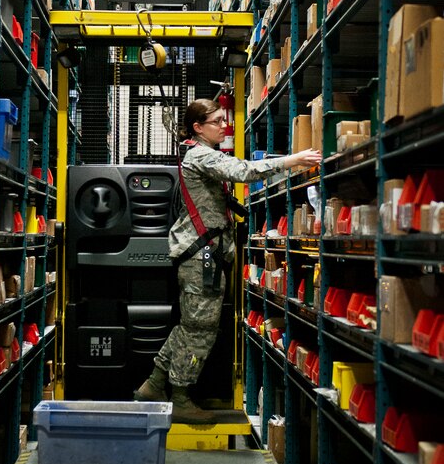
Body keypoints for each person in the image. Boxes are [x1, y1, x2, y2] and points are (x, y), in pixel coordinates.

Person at [134, 98, 323, 423]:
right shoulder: (200, 155)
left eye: (224, 120)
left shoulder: (201, 154)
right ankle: (180, 398)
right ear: (198, 127)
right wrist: (292, 160)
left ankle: (153, 385)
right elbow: (244, 171)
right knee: (201, 329)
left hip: (202, 255)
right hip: (201, 257)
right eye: (217, 121)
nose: (224, 126)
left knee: (191, 325)